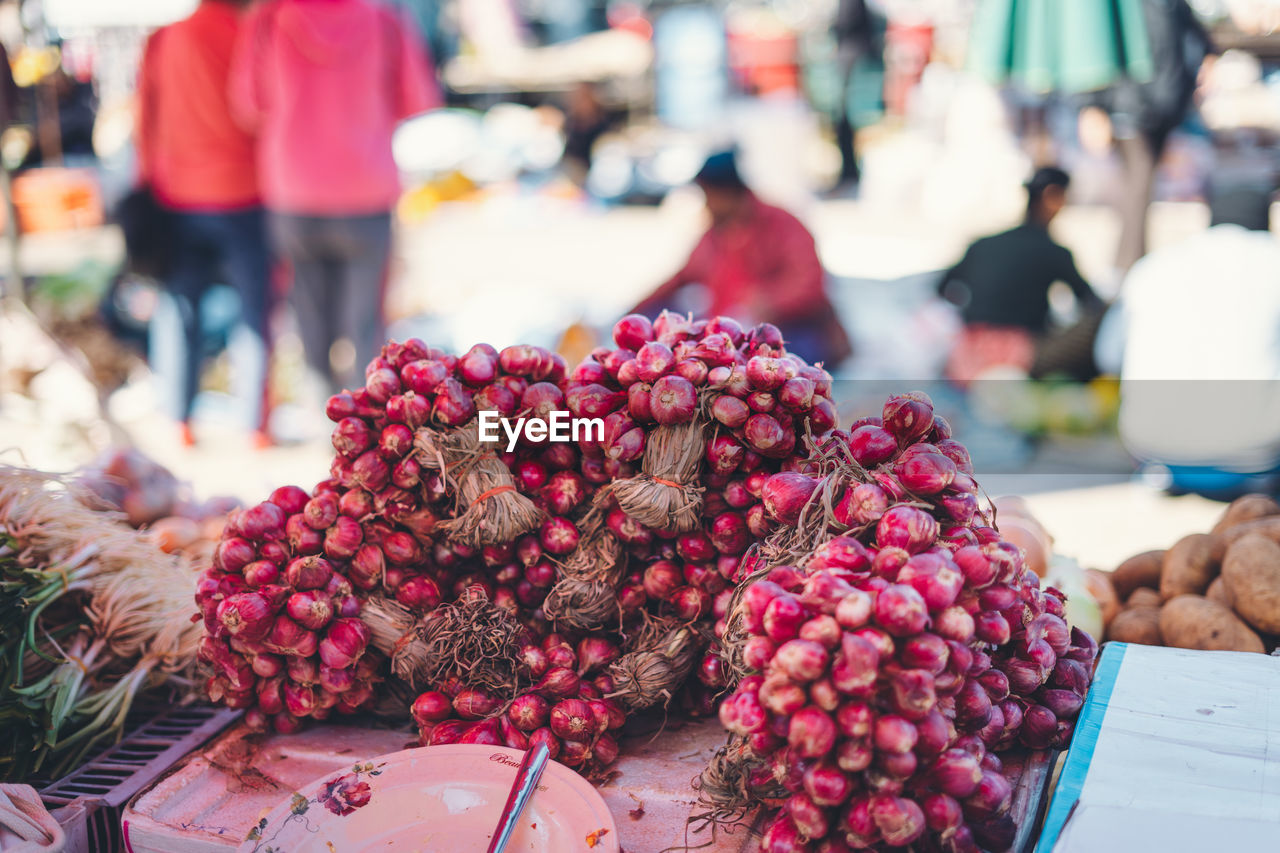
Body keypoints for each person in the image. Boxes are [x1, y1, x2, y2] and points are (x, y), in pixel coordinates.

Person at [230, 0, 439, 395]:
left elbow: (249, 104)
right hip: (366, 188)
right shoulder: (384, 19)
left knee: (308, 310)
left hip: (295, 190)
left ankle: (322, 408)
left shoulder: (269, 19)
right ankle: (369, 415)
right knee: (365, 321)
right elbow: (417, 100)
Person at [136, 0, 271, 446]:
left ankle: (178, 420)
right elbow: (265, 111)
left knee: (179, 308)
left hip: (177, 193)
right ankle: (255, 425)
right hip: (245, 191)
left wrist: (148, 178)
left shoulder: (167, 38)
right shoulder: (251, 34)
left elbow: (145, 119)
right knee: (253, 311)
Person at [1108, 177, 1280, 498]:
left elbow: (1107, 355)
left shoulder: (1153, 266)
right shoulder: (1273, 259)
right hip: (1258, 458)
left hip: (1155, 453)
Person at [633, 151, 851, 366]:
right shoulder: (712, 236)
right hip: (729, 343)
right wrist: (632, 313)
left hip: (788, 332)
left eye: (709, 196)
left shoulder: (782, 224)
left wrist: (770, 302)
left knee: (794, 364)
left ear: (728, 192)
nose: (707, 205)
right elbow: (679, 278)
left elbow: (811, 283)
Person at [938, 166, 1104, 383]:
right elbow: (1089, 302)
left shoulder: (983, 244)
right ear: (1051, 196)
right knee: (1101, 319)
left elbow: (943, 288)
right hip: (1021, 357)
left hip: (966, 356)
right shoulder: (1053, 251)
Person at [1096, 0, 1212, 272]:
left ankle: (1130, 259)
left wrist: (1207, 60)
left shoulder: (1171, 4)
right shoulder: (1119, 7)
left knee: (1141, 187)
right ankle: (1128, 263)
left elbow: (1197, 33)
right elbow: (1098, 50)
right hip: (1127, 104)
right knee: (1139, 181)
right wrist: (1093, 105)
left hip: (1163, 105)